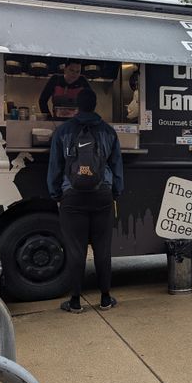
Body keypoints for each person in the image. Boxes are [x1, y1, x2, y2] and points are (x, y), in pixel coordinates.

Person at [47, 88, 124, 313]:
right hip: (102, 196)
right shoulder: (109, 132)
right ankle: (105, 298)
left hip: (72, 197)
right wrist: (115, 192)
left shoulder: (63, 132)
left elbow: (55, 167)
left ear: (77, 106)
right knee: (102, 249)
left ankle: (75, 302)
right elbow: (117, 166)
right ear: (95, 104)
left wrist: (56, 195)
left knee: (75, 249)